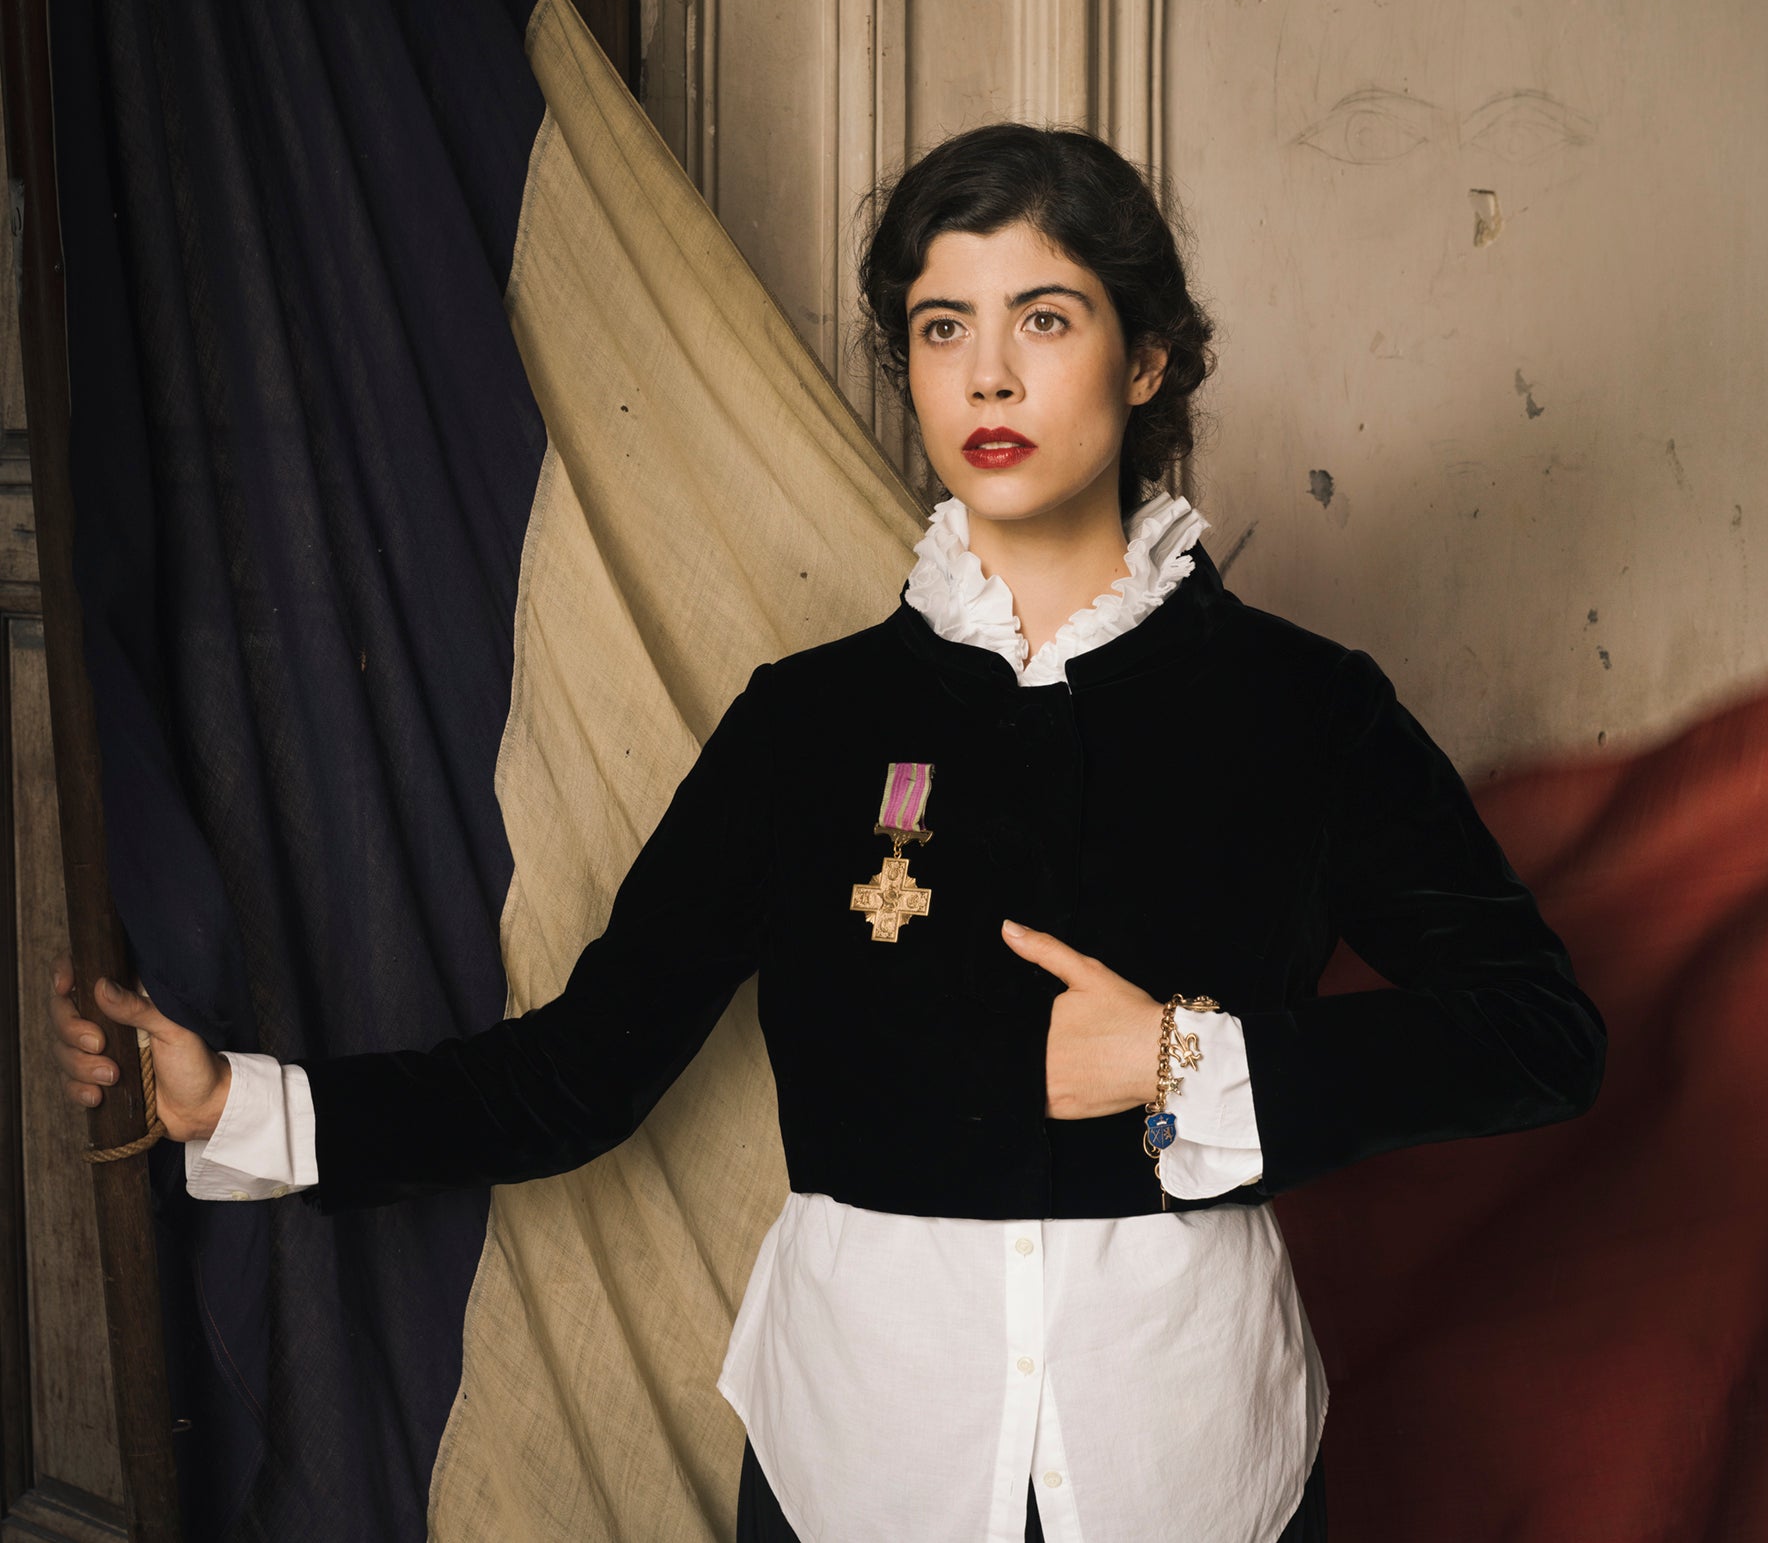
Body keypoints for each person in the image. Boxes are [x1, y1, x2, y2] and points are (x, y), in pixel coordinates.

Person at [49, 122, 1608, 1543]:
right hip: (857, 1466)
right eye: (945, 329)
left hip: (1198, 1465)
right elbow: (583, 1069)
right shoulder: (806, 727)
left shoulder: (1306, 711)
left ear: (1149, 363)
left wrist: (1187, 1063)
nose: (989, 378)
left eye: (1043, 320)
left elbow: (1541, 1035)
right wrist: (238, 1106)